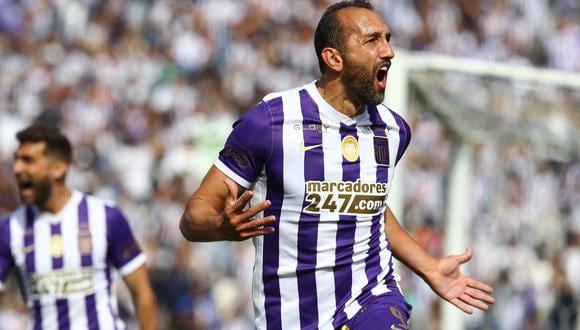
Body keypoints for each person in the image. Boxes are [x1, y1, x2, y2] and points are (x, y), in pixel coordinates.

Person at [179, 1, 495, 329]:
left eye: (388, 39)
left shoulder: (393, 130)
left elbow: (370, 206)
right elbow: (194, 215)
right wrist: (219, 226)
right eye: (372, 40)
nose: (389, 51)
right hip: (292, 316)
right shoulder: (271, 122)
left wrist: (428, 266)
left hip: (373, 298)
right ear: (334, 58)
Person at [0, 124, 158, 330]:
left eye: (28, 160)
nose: (17, 169)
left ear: (59, 168)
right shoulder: (10, 229)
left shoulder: (105, 217)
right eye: (17, 160)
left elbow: (142, 292)